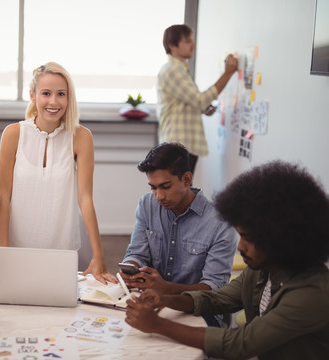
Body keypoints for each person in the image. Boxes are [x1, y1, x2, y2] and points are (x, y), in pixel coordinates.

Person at [125, 160, 329, 360]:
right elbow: (218, 298)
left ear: (279, 237)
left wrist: (158, 325)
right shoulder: (262, 269)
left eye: (249, 238)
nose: (240, 247)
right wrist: (165, 299)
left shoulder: (310, 294)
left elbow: (241, 344)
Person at [0, 62, 115, 284]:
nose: (53, 101)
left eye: (61, 94)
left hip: (61, 245)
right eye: (46, 93)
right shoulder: (13, 134)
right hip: (16, 241)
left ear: (69, 98)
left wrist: (99, 257)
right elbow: (4, 197)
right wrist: (3, 252)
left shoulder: (81, 137)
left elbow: (85, 199)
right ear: (33, 95)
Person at [120, 142, 236, 326]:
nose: (158, 196)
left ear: (187, 179)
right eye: (153, 187)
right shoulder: (146, 204)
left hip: (199, 314)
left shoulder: (220, 222)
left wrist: (166, 289)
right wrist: (130, 268)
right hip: (151, 303)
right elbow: (137, 253)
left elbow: (214, 290)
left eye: (165, 186)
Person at [157, 24, 238, 174]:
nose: (193, 45)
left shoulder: (180, 69)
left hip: (182, 144)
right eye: (187, 41)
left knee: (182, 191)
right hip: (179, 145)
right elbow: (200, 100)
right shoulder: (173, 70)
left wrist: (203, 108)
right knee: (179, 193)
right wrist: (228, 74)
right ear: (172, 46)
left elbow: (190, 102)